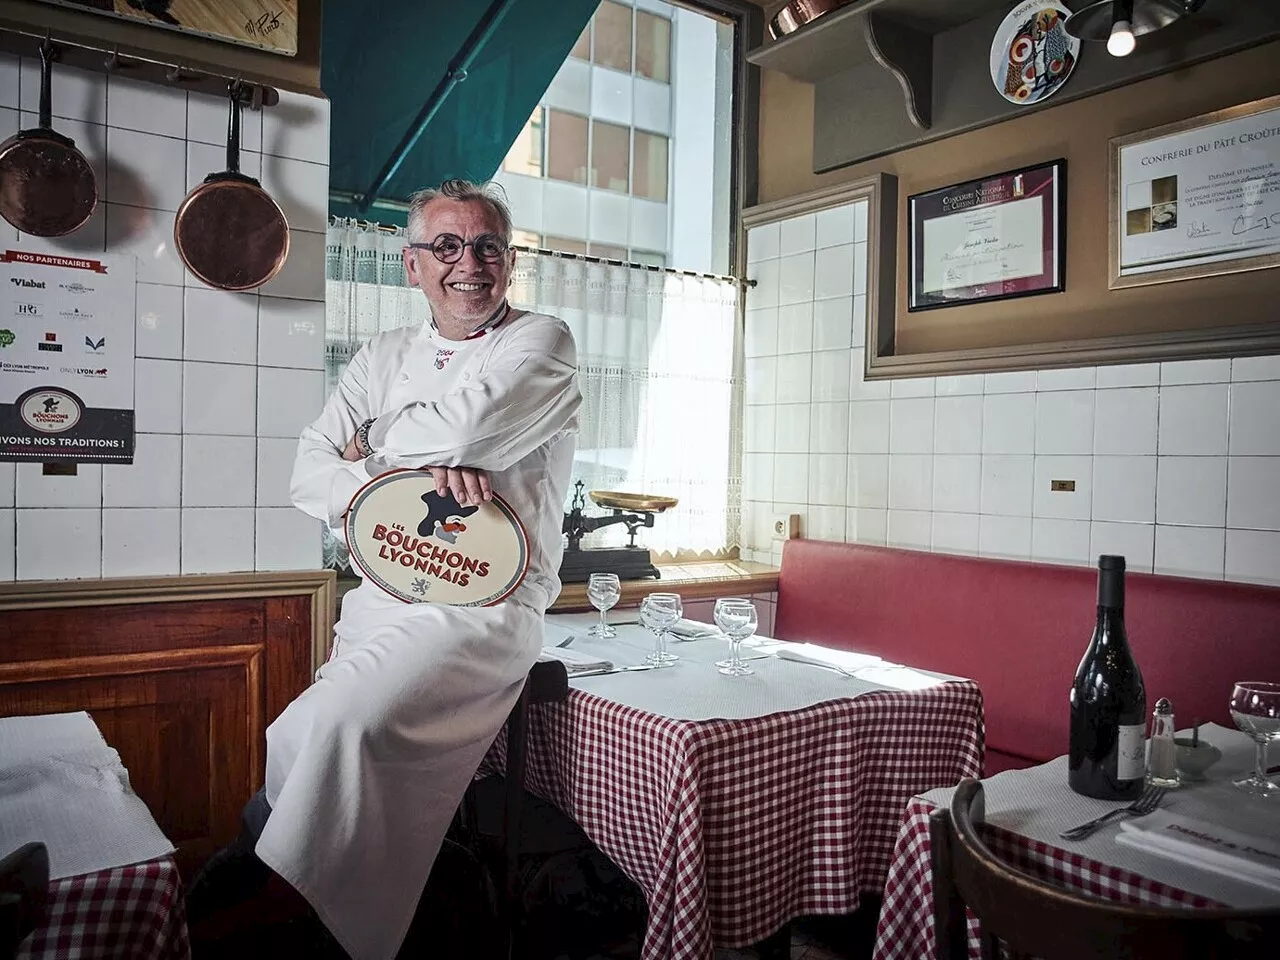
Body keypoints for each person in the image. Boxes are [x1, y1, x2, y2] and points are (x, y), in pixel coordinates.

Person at [244, 179, 580, 960]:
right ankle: (343, 918)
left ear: (510, 260)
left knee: (347, 726)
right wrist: (419, 467)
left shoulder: (543, 341)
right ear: (412, 266)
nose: (471, 264)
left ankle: (348, 932)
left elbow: (467, 424)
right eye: (448, 246)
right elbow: (306, 476)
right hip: (384, 590)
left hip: (484, 609)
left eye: (488, 247)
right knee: (292, 739)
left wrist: (376, 442)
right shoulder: (383, 353)